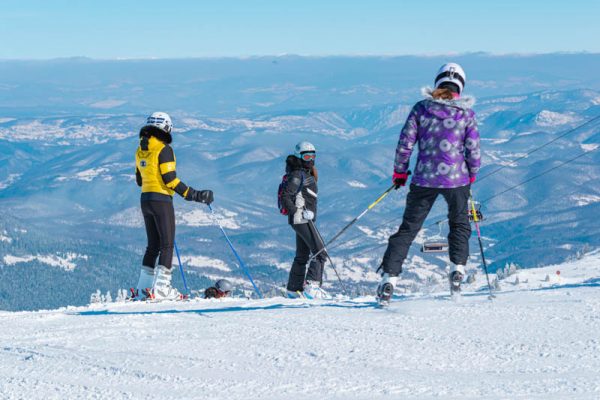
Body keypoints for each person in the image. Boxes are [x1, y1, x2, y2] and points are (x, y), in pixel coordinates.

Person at [377, 63, 481, 305]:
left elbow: (405, 144)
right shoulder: (466, 114)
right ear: (461, 86)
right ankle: (457, 269)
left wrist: (400, 173)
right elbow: (473, 150)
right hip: (457, 180)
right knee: (460, 224)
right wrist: (472, 173)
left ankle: (389, 280)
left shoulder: (421, 109)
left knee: (408, 229)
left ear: (437, 82)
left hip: (424, 178)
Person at [131, 112, 214, 301]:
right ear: (166, 128)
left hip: (145, 199)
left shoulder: (140, 149)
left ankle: (143, 289)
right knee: (167, 245)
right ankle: (161, 289)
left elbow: (138, 179)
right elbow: (170, 180)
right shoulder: (164, 149)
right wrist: (194, 195)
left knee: (152, 246)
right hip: (162, 201)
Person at [280, 141, 330, 299]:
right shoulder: (297, 175)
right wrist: (298, 212)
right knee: (320, 252)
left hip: (303, 220)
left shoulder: (305, 173)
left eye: (313, 156)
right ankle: (312, 287)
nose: (310, 159)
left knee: (302, 255)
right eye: (306, 156)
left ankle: (293, 290)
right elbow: (286, 197)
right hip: (300, 219)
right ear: (299, 156)